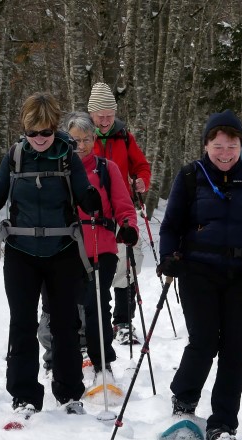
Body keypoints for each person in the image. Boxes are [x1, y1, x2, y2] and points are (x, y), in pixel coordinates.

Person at [158, 109, 242, 440]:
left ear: (241, 146)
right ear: (206, 145)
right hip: (197, 271)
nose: (225, 153)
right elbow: (171, 225)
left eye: (232, 146)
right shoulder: (190, 176)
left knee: (234, 348)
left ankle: (223, 424)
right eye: (218, 145)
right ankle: (184, 399)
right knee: (203, 341)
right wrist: (168, 256)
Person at [0, 92, 100, 417]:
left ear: (54, 127)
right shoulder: (14, 157)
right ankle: (24, 396)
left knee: (65, 325)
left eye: (45, 132)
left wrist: (90, 199)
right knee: (22, 324)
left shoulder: (67, 158)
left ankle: (69, 393)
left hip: (62, 251)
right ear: (24, 129)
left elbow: (83, 194)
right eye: (32, 132)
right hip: (21, 252)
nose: (39, 139)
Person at [37, 112, 139, 390]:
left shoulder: (107, 168)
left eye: (86, 140)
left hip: (100, 247)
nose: (80, 146)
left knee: (97, 306)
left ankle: (102, 364)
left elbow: (124, 206)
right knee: (60, 309)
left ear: (94, 139)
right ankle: (58, 361)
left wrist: (128, 227)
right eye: (75, 140)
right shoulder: (56, 168)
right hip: (62, 249)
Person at [88, 82, 152, 346]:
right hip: (91, 214)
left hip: (122, 210)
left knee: (128, 263)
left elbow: (141, 165)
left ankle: (123, 322)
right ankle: (95, 321)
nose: (105, 121)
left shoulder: (124, 136)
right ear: (91, 114)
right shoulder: (82, 136)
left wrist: (142, 181)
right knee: (95, 266)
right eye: (100, 116)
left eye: (110, 115)